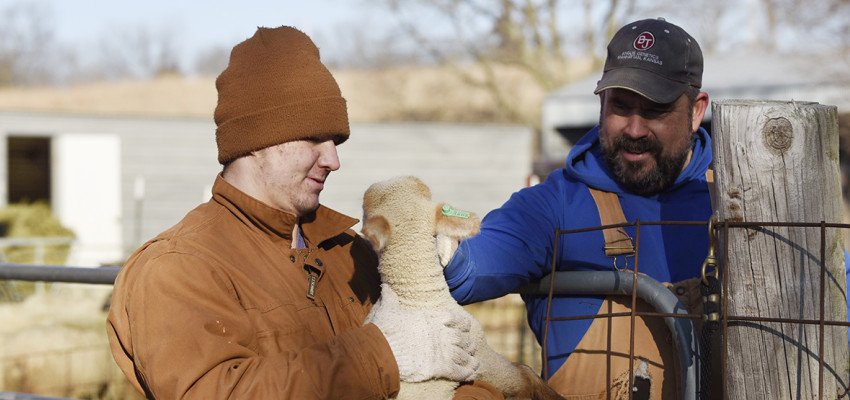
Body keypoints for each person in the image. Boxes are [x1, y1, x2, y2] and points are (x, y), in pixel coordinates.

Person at [106, 26, 503, 399]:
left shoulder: (350, 251)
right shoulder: (178, 268)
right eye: (314, 138)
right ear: (254, 142)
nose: (332, 159)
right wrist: (382, 355)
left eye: (336, 141)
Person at [443, 18, 711, 399]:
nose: (634, 129)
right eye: (620, 106)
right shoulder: (556, 205)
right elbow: (469, 268)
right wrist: (426, 241)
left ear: (696, 111)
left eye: (655, 110)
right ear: (602, 102)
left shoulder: (739, 201)